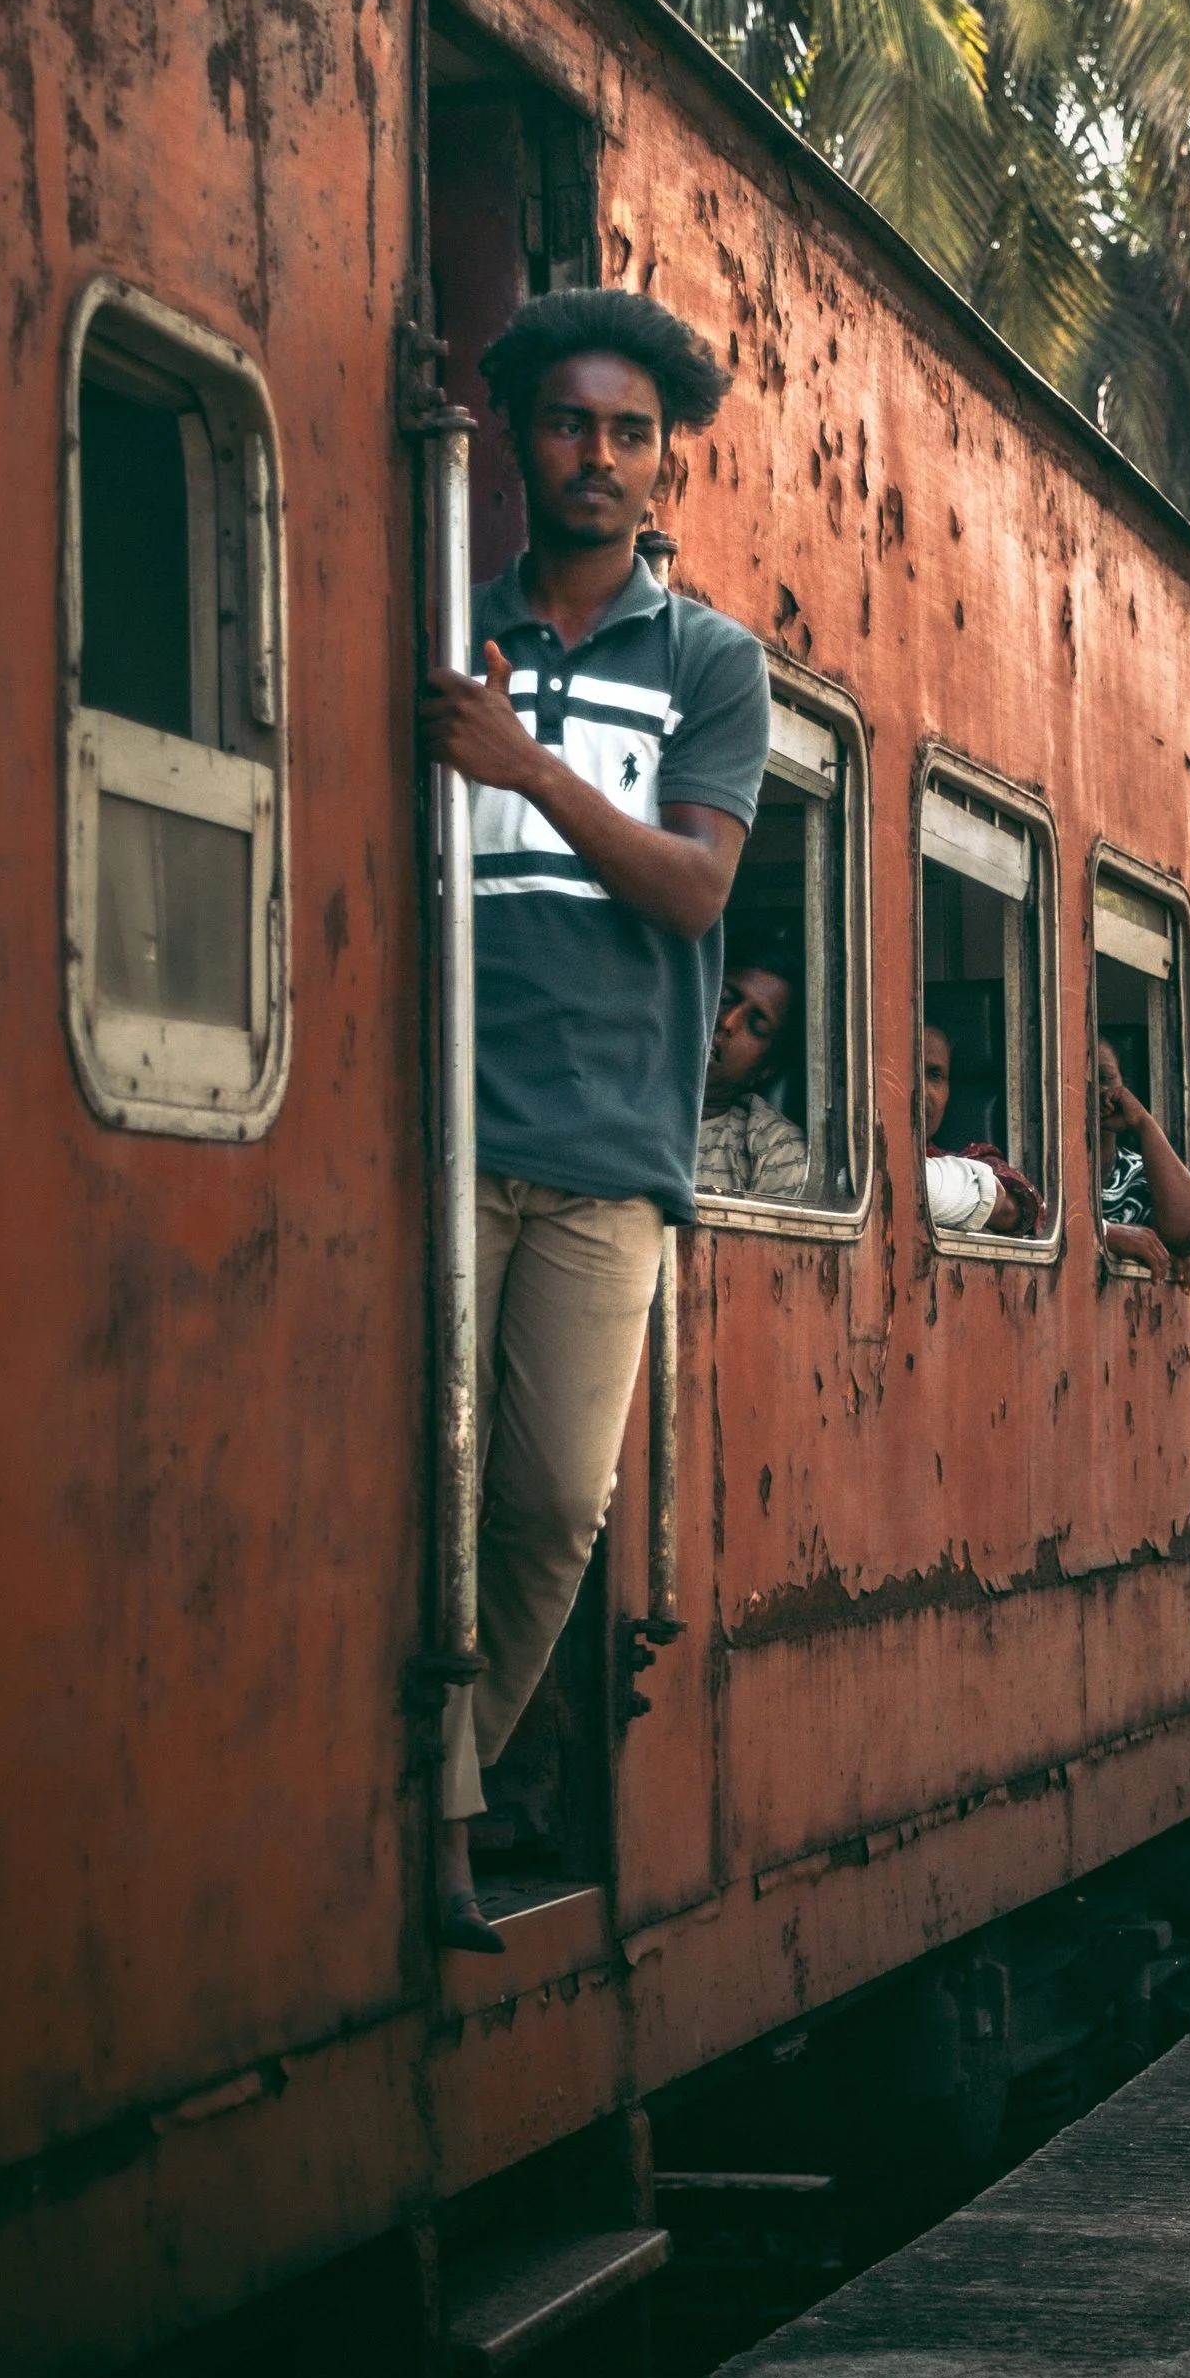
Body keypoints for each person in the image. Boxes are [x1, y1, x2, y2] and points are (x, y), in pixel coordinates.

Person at [418, 287, 770, 1951]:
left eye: (632, 432)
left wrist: (526, 765)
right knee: (424, 1490)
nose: (600, 455)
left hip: (610, 1152)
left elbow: (695, 892)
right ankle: (442, 1828)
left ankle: (445, 1779)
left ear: (659, 462)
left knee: (557, 1500)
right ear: (519, 438)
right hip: (438, 1137)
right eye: (572, 422)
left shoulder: (708, 660)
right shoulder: (453, 620)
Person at [1094, 1034, 1190, 1282]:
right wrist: (1105, 1235)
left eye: (1104, 1079)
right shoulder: (1032, 1164)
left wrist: (1143, 1123)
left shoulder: (1141, 1175)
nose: (1093, 1091)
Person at [695, 951, 811, 1202]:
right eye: (724, 998)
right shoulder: (609, 1089)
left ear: (764, 1070)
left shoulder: (775, 1151)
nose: (727, 1021)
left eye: (756, 1026)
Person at [921, 1021, 1042, 1235]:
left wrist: (980, 1192)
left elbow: (1014, 1209)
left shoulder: (976, 1159)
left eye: (934, 1075)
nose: (921, 1092)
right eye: (905, 1070)